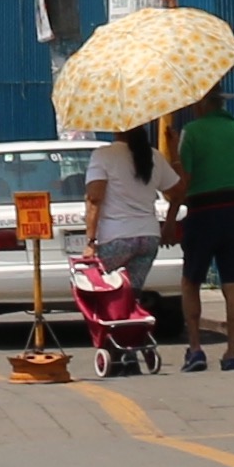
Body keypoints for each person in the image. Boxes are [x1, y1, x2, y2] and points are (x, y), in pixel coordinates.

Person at [168, 83, 234, 370]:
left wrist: (175, 154)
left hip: (203, 212)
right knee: (232, 285)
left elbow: (183, 183)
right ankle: (232, 352)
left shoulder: (193, 133)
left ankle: (196, 348)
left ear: (200, 105)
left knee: (191, 282)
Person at [85, 124, 165, 372]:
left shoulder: (104, 155)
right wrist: (170, 224)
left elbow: (94, 198)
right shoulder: (153, 155)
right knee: (133, 296)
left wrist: (90, 241)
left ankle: (116, 351)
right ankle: (133, 349)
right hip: (148, 237)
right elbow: (178, 190)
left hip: (116, 239)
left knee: (112, 296)